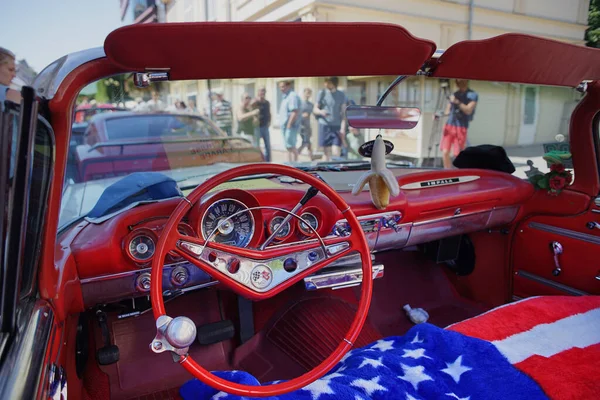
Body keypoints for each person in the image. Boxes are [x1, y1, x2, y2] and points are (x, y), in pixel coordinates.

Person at [439, 79, 478, 169]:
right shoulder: (455, 94)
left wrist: (457, 102)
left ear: (466, 81)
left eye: (460, 80)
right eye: (457, 81)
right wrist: (439, 114)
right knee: (445, 152)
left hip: (461, 126)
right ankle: (447, 171)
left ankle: (459, 172)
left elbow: (468, 110)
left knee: (458, 153)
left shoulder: (472, 95)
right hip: (449, 125)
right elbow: (447, 111)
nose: (458, 83)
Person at [313, 77, 348, 161]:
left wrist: (343, 128)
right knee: (326, 154)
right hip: (325, 126)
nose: (326, 84)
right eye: (325, 82)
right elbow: (315, 109)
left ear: (334, 83)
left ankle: (336, 172)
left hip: (336, 126)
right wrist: (321, 112)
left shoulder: (341, 94)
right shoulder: (322, 93)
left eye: (328, 82)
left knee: (336, 153)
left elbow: (343, 113)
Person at [278, 81, 301, 162]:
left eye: (283, 86)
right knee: (288, 147)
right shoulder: (285, 96)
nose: (281, 89)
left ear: (289, 86)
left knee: (291, 146)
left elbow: (294, 112)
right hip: (285, 125)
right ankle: (289, 164)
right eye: (280, 87)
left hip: (290, 125)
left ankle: (294, 164)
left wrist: (289, 124)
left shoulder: (292, 96)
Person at [252, 87, 272, 162]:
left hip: (265, 126)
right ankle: (258, 161)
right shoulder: (255, 102)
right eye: (260, 92)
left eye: (263, 92)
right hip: (257, 127)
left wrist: (269, 121)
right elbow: (250, 107)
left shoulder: (267, 102)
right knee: (256, 145)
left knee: (267, 146)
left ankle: (268, 162)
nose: (262, 93)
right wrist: (256, 99)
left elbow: (269, 113)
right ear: (258, 92)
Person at [297, 88, 314, 159]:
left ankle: (311, 158)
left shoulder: (311, 105)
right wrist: (302, 116)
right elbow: (296, 115)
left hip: (308, 126)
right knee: (305, 142)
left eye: (309, 93)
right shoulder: (300, 103)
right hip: (301, 126)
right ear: (304, 93)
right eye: (306, 93)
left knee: (308, 143)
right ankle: (296, 154)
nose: (308, 95)